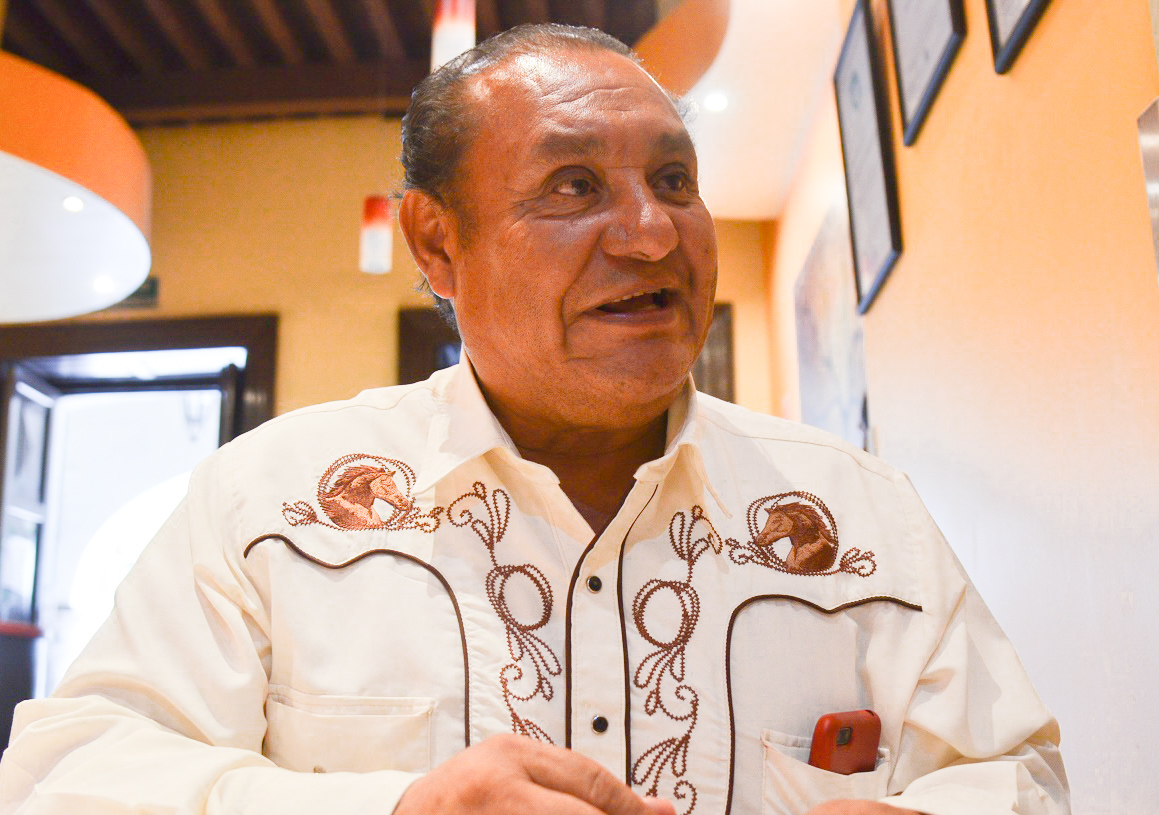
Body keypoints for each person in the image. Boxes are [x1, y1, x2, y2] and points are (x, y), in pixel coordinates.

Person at [0, 23, 1068, 815]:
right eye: (572, 185)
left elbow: (1016, 773)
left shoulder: (858, 510)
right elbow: (67, 775)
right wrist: (392, 807)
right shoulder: (267, 502)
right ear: (437, 244)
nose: (652, 233)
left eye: (674, 178)